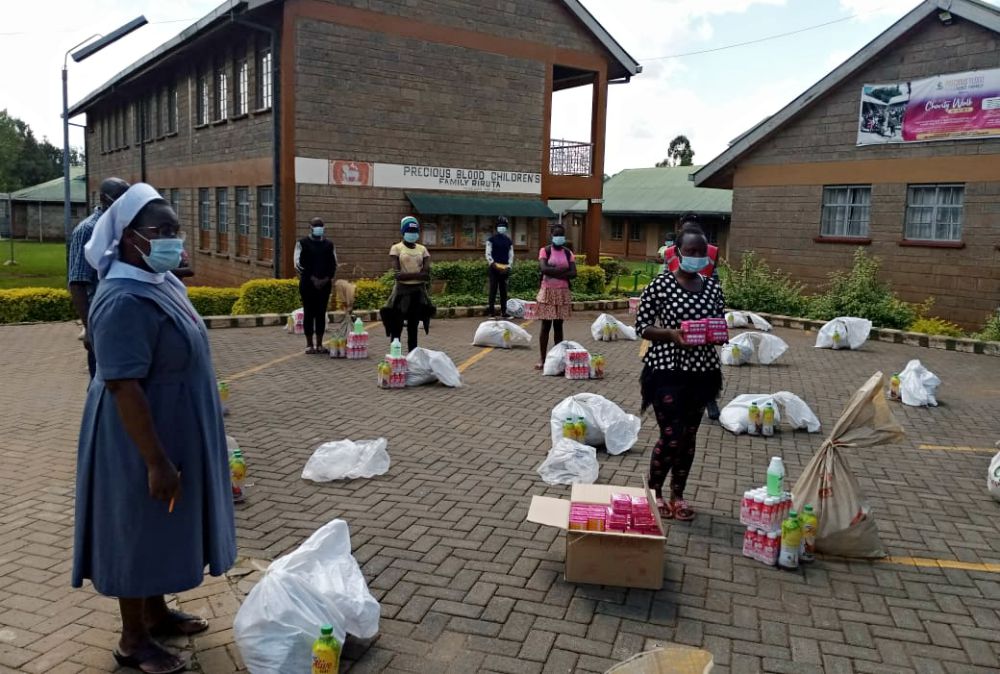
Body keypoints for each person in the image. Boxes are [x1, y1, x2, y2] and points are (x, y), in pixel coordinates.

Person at [76, 183, 236, 674]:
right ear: (128, 237)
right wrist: (156, 460)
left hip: (167, 427)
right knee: (137, 528)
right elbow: (124, 385)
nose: (172, 239)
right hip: (135, 439)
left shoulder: (158, 282)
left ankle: (156, 612)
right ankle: (132, 642)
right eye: (159, 231)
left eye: (174, 229)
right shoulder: (122, 299)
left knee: (160, 525)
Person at [634, 224, 724, 522]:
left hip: (702, 373)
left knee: (689, 438)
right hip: (666, 371)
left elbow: (719, 320)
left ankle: (678, 494)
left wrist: (718, 334)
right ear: (677, 252)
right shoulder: (660, 285)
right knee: (672, 435)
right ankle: (655, 490)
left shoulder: (711, 286)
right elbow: (642, 328)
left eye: (701, 252)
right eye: (690, 251)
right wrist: (672, 334)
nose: (696, 256)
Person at [68, 177, 129, 379]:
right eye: (119, 198)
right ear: (104, 198)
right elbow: (77, 283)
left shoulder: (122, 226)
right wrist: (89, 328)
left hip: (124, 316)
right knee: (102, 383)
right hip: (101, 318)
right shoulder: (88, 230)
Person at [662, 215, 722, 420]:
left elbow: (714, 278)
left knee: (704, 361)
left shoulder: (711, 253)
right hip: (676, 312)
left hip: (701, 314)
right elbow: (665, 275)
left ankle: (709, 399)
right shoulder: (670, 255)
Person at [381, 216, 434, 351]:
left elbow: (426, 273)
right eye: (409, 230)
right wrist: (417, 275)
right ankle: (395, 354)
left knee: (413, 327)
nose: (412, 233)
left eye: (415, 231)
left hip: (417, 293)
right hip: (401, 293)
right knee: (396, 326)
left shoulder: (422, 249)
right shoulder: (396, 248)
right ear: (403, 232)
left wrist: (410, 276)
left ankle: (412, 356)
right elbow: (398, 276)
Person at [535, 224, 576, 370]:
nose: (560, 237)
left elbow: (574, 273)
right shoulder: (545, 250)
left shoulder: (567, 253)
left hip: (562, 292)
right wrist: (562, 271)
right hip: (548, 292)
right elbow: (544, 268)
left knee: (558, 326)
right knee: (546, 325)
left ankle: (557, 357)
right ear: (552, 235)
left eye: (562, 234)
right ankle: (543, 358)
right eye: (557, 234)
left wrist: (554, 271)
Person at [295, 217, 338, 354]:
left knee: (321, 314)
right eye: (315, 225)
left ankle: (320, 344)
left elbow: (334, 264)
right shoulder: (302, 243)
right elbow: (298, 264)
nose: (318, 227)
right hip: (308, 284)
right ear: (310, 227)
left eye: (320, 225)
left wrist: (325, 279)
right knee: (309, 313)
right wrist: (313, 279)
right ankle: (309, 345)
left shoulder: (329, 245)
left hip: (324, 285)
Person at [486, 216, 514, 318]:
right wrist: (493, 265)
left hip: (505, 269)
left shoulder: (508, 241)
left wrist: (508, 267)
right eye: (499, 226)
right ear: (496, 227)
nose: (501, 227)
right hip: (494, 268)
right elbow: (488, 254)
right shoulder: (491, 240)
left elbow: (511, 255)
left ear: (506, 228)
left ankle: (504, 312)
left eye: (503, 226)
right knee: (493, 290)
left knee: (504, 291)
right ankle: (491, 313)